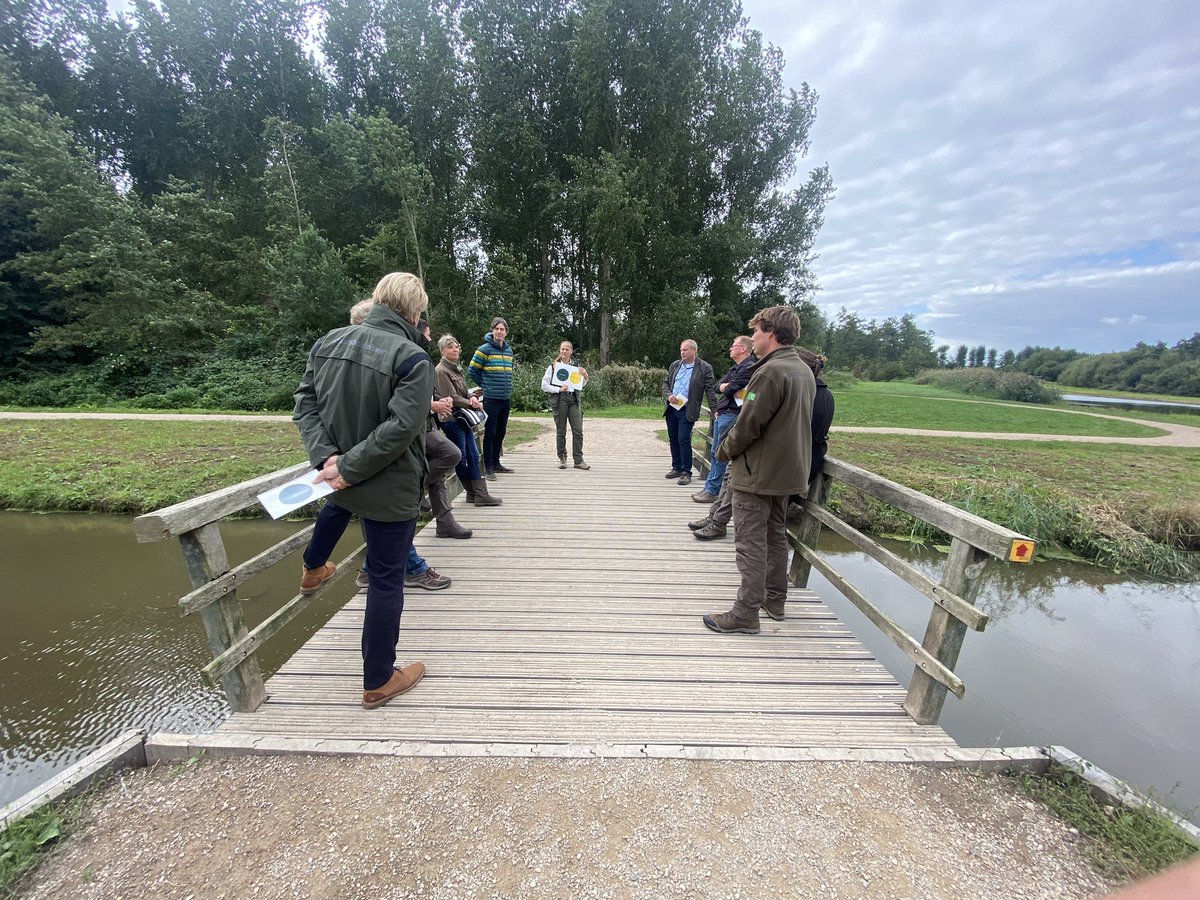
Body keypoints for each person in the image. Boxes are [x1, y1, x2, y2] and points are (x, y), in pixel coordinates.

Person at [293, 271, 433, 709]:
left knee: (351, 533)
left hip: (339, 478)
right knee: (387, 579)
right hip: (388, 487)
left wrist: (327, 461)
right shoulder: (412, 358)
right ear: (413, 311)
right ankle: (378, 679)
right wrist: (347, 468)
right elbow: (404, 427)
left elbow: (305, 404)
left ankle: (312, 566)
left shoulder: (327, 342)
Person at [702, 306, 815, 634]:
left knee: (750, 542)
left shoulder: (768, 373)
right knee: (775, 536)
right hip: (787, 473)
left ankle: (745, 612)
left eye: (756, 331)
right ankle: (774, 600)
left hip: (758, 473)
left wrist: (723, 450)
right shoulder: (802, 369)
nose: (752, 338)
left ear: (771, 333)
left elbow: (748, 425)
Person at [691, 347, 833, 541]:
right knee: (733, 485)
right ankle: (715, 519)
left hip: (774, 460)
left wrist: (727, 449)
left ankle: (719, 523)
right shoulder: (818, 392)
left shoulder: (806, 391)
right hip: (791, 460)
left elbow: (761, 423)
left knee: (750, 514)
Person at [415, 319, 472, 540]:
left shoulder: (420, 358)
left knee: (436, 475)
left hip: (428, 423)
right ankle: (416, 484)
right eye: (428, 335)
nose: (430, 339)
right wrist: (432, 405)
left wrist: (438, 400)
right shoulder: (406, 356)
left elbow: (427, 392)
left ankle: (445, 523)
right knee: (452, 453)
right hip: (414, 428)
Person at [435, 333, 502, 506]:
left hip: (463, 419)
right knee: (462, 457)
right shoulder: (441, 371)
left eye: (456, 346)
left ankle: (478, 494)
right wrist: (470, 402)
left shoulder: (455, 368)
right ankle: (473, 492)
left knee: (472, 456)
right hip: (452, 419)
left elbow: (461, 393)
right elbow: (451, 397)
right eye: (450, 347)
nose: (455, 349)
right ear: (442, 351)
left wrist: (471, 394)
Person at [692, 335, 755, 503]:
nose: (730, 349)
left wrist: (727, 386)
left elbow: (731, 388)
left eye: (733, 346)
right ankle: (711, 488)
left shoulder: (748, 367)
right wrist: (726, 386)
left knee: (720, 453)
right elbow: (717, 386)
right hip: (724, 413)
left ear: (742, 349)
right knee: (715, 451)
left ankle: (712, 490)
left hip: (732, 414)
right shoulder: (736, 368)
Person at [661, 339, 717, 486]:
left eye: (685, 350)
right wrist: (669, 395)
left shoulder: (704, 368)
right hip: (673, 407)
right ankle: (676, 467)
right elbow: (665, 384)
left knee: (683, 438)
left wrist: (715, 410)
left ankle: (687, 471)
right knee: (673, 438)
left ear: (694, 351)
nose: (682, 352)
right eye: (681, 350)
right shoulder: (675, 365)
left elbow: (710, 390)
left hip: (688, 409)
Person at [469, 316, 514, 479]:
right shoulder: (484, 349)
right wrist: (485, 385)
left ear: (506, 332)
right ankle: (488, 467)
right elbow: (472, 370)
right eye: (497, 329)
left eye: (502, 329)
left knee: (501, 432)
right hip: (491, 398)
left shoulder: (509, 351)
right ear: (492, 330)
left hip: (505, 398)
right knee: (490, 432)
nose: (499, 332)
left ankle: (496, 463)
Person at [541, 340, 591, 470]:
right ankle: (562, 458)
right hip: (560, 400)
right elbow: (544, 386)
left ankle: (578, 460)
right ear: (560, 350)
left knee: (578, 431)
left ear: (571, 351)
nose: (564, 351)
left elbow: (580, 385)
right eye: (562, 349)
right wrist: (558, 389)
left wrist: (585, 377)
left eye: (567, 349)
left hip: (574, 400)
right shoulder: (553, 367)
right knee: (561, 431)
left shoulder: (576, 366)